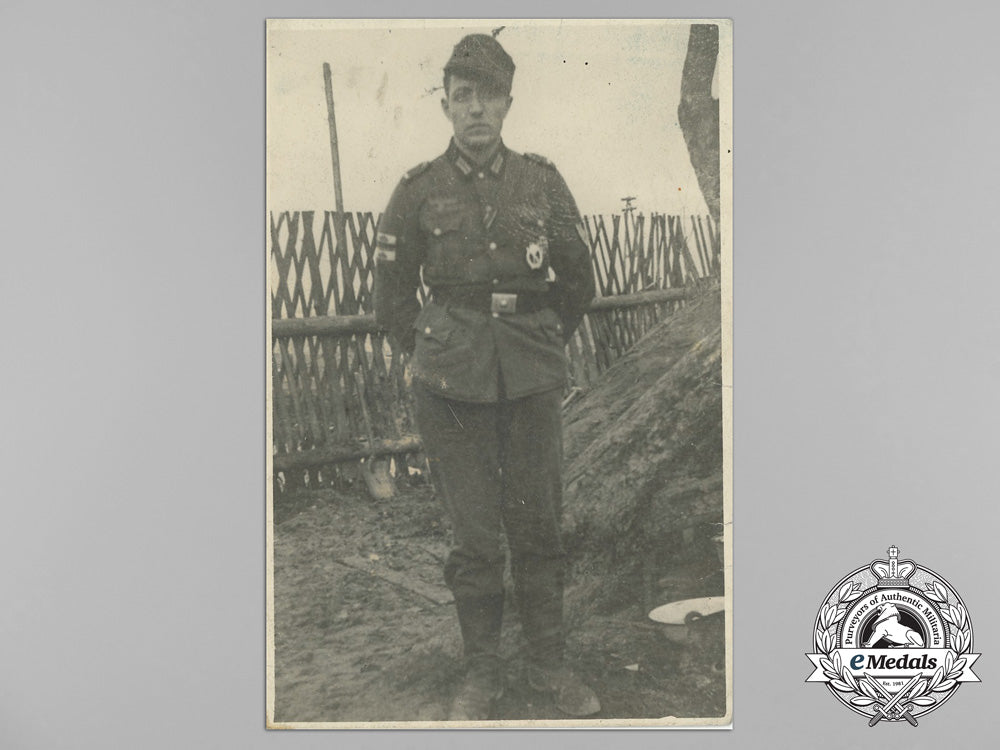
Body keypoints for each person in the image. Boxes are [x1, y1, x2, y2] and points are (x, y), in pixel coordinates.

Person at [374, 33, 599, 721]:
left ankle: (548, 665)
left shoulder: (542, 182)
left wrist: (537, 339)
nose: (476, 110)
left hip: (529, 382)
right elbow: (388, 294)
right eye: (463, 97)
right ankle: (481, 674)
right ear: (446, 104)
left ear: (507, 102)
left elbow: (578, 279)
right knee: (474, 538)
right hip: (450, 390)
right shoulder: (417, 189)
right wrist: (435, 348)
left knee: (538, 528)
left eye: (489, 96)